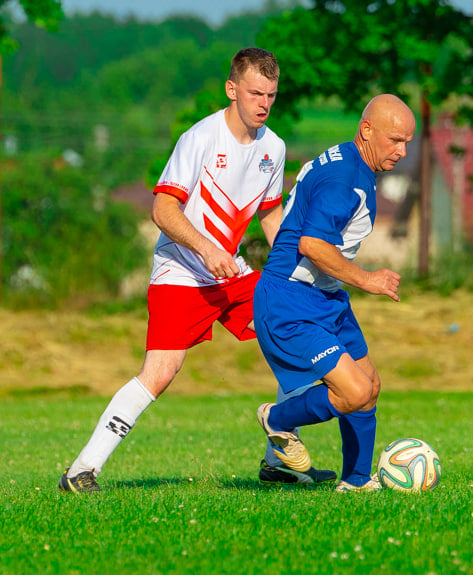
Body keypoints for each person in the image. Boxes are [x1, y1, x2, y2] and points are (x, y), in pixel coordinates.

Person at [59, 47, 336, 493]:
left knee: (293, 339)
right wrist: (206, 249)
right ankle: (81, 471)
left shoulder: (274, 147)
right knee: (161, 371)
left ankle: (279, 462)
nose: (264, 103)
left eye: (271, 94)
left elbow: (270, 217)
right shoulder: (200, 139)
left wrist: (298, 269)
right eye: (254, 93)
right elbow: (163, 209)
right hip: (180, 272)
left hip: (232, 273)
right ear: (232, 90)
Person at [252, 94, 416, 492]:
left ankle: (357, 481)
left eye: (407, 142)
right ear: (367, 130)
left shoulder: (351, 162)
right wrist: (368, 279)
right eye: (395, 140)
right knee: (354, 391)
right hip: (290, 300)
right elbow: (312, 245)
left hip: (325, 297)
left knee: (369, 386)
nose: (403, 150)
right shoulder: (344, 180)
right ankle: (278, 419)